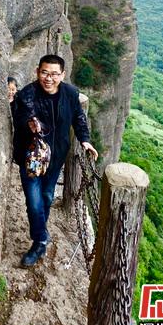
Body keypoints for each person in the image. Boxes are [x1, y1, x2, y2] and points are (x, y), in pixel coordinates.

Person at [13, 54, 98, 267]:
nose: (48, 78)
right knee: (34, 201)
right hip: (32, 157)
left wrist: (85, 140)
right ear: (37, 72)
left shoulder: (70, 93)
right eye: (44, 73)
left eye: (54, 74)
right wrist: (31, 124)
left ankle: (40, 232)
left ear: (62, 75)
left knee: (47, 196)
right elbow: (22, 118)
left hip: (56, 157)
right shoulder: (27, 95)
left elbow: (78, 117)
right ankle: (40, 241)